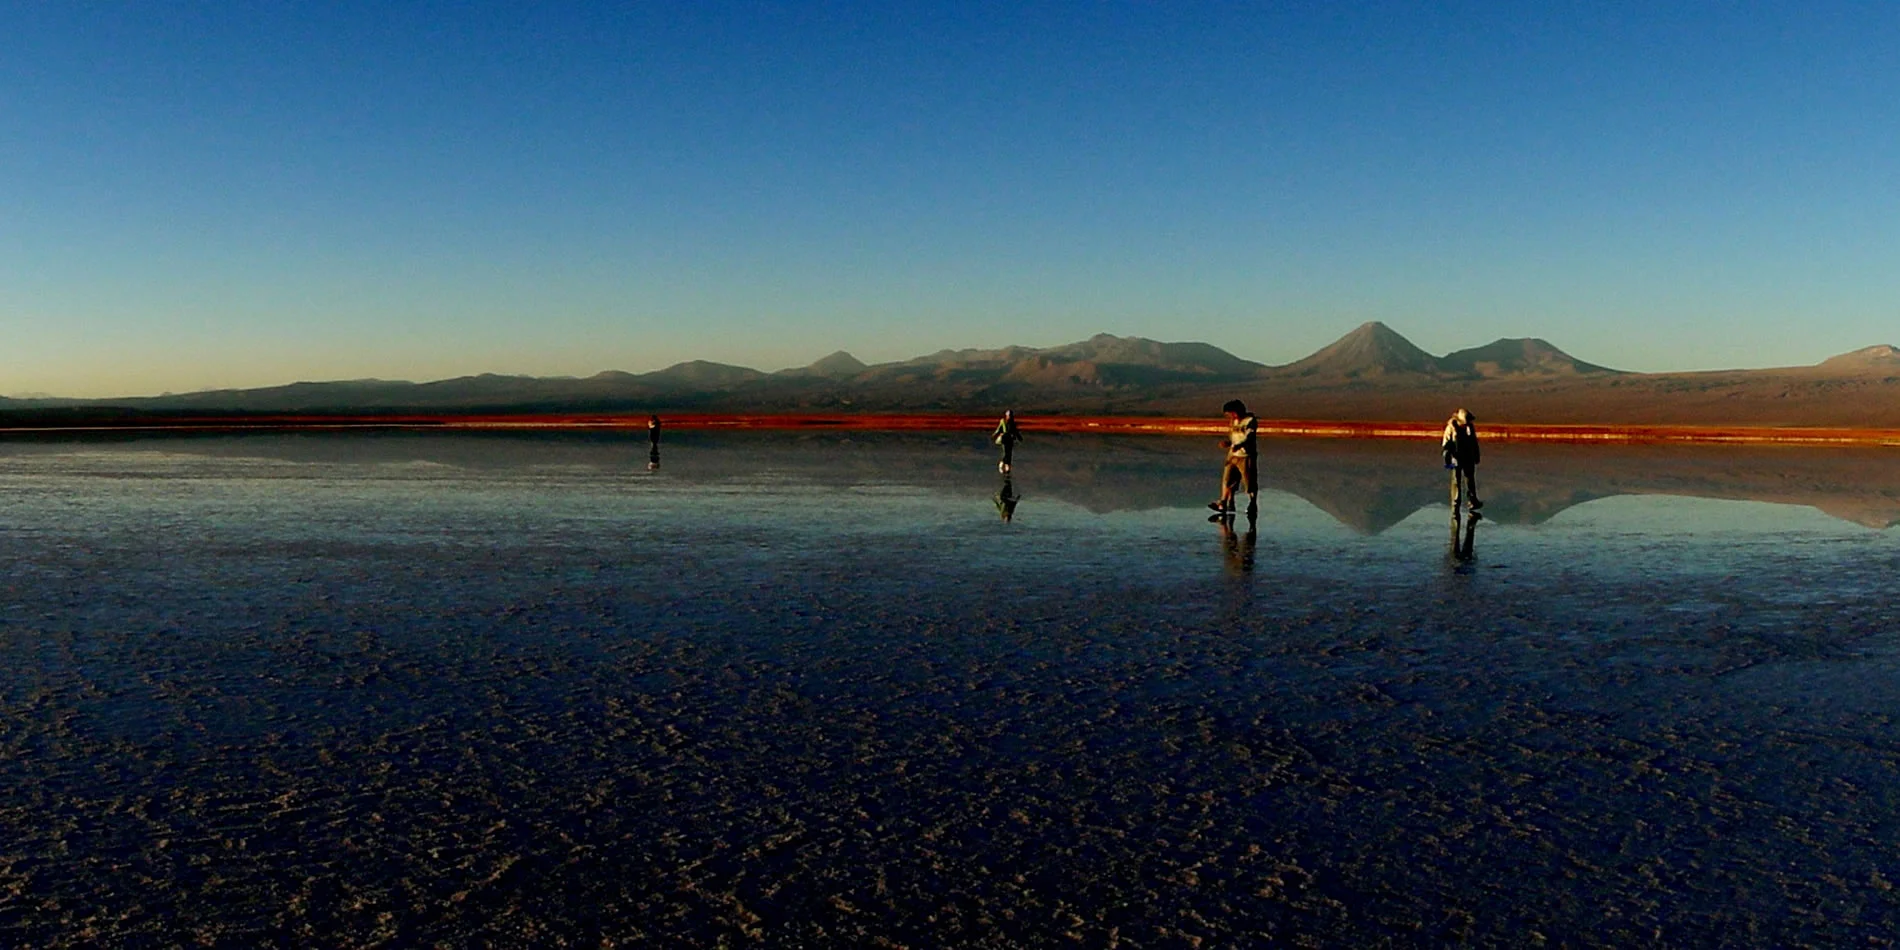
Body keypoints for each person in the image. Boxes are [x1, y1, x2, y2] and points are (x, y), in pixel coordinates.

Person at [1208, 399, 1259, 516]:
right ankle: (1223, 503)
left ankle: (1252, 503)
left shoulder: (1250, 421)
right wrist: (1229, 444)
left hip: (1246, 456)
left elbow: (1249, 437)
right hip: (1233, 455)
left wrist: (1238, 445)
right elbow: (1233, 436)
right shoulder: (1234, 422)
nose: (1230, 417)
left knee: (1249, 481)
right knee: (1227, 479)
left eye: (1231, 414)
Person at [1441, 408, 1482, 512]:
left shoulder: (1470, 427)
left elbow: (1474, 442)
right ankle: (1456, 503)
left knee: (1470, 480)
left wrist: (1476, 456)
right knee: (1456, 481)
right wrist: (1447, 461)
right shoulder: (1451, 428)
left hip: (1468, 457)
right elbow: (1446, 444)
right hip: (1456, 458)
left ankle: (1472, 501)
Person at [992, 409, 1022, 473]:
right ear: (1006, 415)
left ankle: (1007, 466)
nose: (1009, 416)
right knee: (1006, 453)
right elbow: (999, 429)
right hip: (1004, 439)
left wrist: (1019, 438)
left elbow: (1015, 431)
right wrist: (994, 435)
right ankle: (1003, 464)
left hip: (1010, 440)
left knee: (1009, 453)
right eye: (1008, 415)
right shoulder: (1003, 421)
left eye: (1010, 415)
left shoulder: (1013, 423)